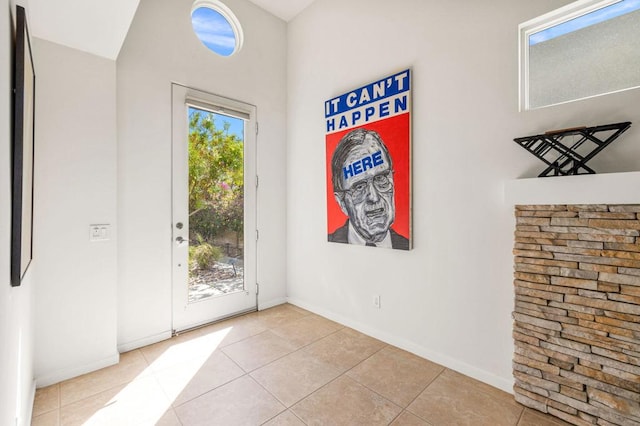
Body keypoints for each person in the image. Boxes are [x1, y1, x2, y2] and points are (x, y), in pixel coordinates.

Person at [328, 128, 409, 250]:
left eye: (380, 178)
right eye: (359, 186)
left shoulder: (406, 246)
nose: (374, 197)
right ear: (342, 202)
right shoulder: (330, 245)